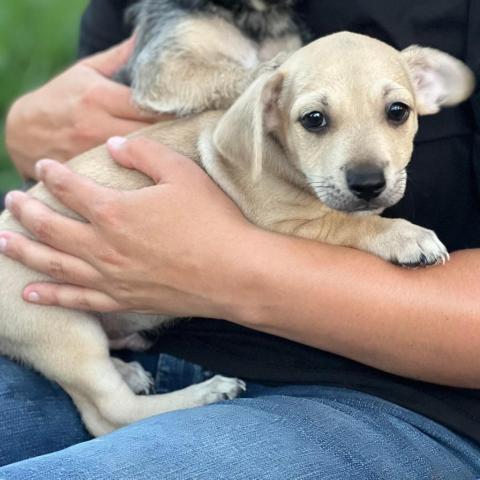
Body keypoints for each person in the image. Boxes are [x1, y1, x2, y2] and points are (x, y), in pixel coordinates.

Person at [0, 0, 479, 478]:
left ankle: (107, 399)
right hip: (82, 317)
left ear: (425, 88)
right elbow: (81, 137)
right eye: (315, 121)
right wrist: (28, 129)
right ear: (267, 113)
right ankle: (105, 395)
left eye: (396, 112)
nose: (365, 165)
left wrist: (224, 271)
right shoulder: (250, 120)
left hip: (396, 401)